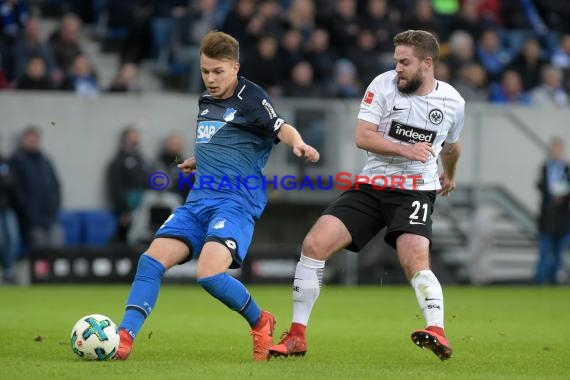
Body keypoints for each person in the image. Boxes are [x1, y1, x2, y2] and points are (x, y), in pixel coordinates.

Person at [115, 30, 320, 362]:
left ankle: (260, 321)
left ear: (235, 68)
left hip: (236, 201)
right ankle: (124, 338)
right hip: (198, 200)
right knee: (150, 261)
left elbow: (281, 126)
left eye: (217, 72)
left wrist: (297, 143)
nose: (210, 79)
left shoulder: (252, 98)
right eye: (205, 71)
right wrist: (201, 159)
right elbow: (221, 138)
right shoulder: (206, 101)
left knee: (208, 274)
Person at [269, 30, 464, 361]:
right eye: (395, 61)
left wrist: (450, 175)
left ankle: (437, 331)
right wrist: (406, 149)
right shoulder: (382, 85)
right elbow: (362, 136)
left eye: (405, 62)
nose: (398, 68)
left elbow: (452, 146)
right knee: (314, 244)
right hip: (372, 185)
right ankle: (297, 336)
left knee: (413, 258)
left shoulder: (454, 103)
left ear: (427, 63)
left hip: (415, 190)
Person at [9, 126, 63, 249]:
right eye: (30, 139)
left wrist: (55, 204)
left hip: (50, 216)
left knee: (57, 250)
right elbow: (16, 190)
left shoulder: (45, 161)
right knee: (40, 253)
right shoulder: (17, 161)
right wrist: (27, 210)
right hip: (31, 219)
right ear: (23, 140)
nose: (33, 142)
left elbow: (56, 184)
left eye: (35, 139)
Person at [106, 126, 154, 243]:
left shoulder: (143, 161)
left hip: (146, 208)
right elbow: (115, 188)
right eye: (132, 140)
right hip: (128, 209)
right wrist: (124, 210)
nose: (135, 143)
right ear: (124, 141)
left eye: (137, 140)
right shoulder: (117, 162)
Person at [535, 137, 570, 285]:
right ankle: (540, 280)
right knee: (544, 251)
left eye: (558, 149)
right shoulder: (545, 168)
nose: (556, 152)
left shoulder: (566, 169)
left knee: (558, 252)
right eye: (553, 149)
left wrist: (563, 197)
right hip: (548, 217)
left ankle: (555, 280)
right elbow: (541, 186)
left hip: (562, 217)